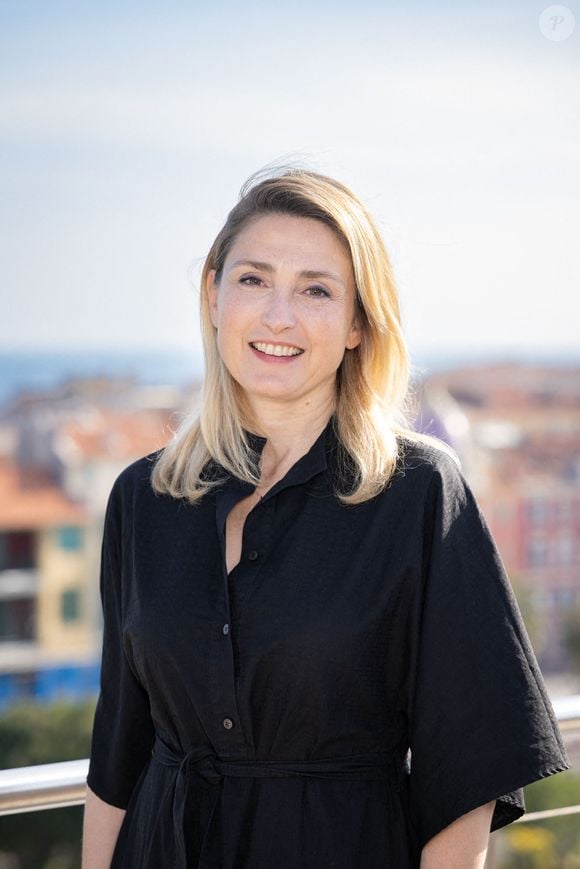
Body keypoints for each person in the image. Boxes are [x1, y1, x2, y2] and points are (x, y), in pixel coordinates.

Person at [82, 167, 569, 869]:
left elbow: (467, 768)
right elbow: (118, 746)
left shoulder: (420, 492)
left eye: (315, 289)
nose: (278, 315)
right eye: (253, 279)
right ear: (214, 296)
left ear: (357, 324)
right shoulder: (143, 496)